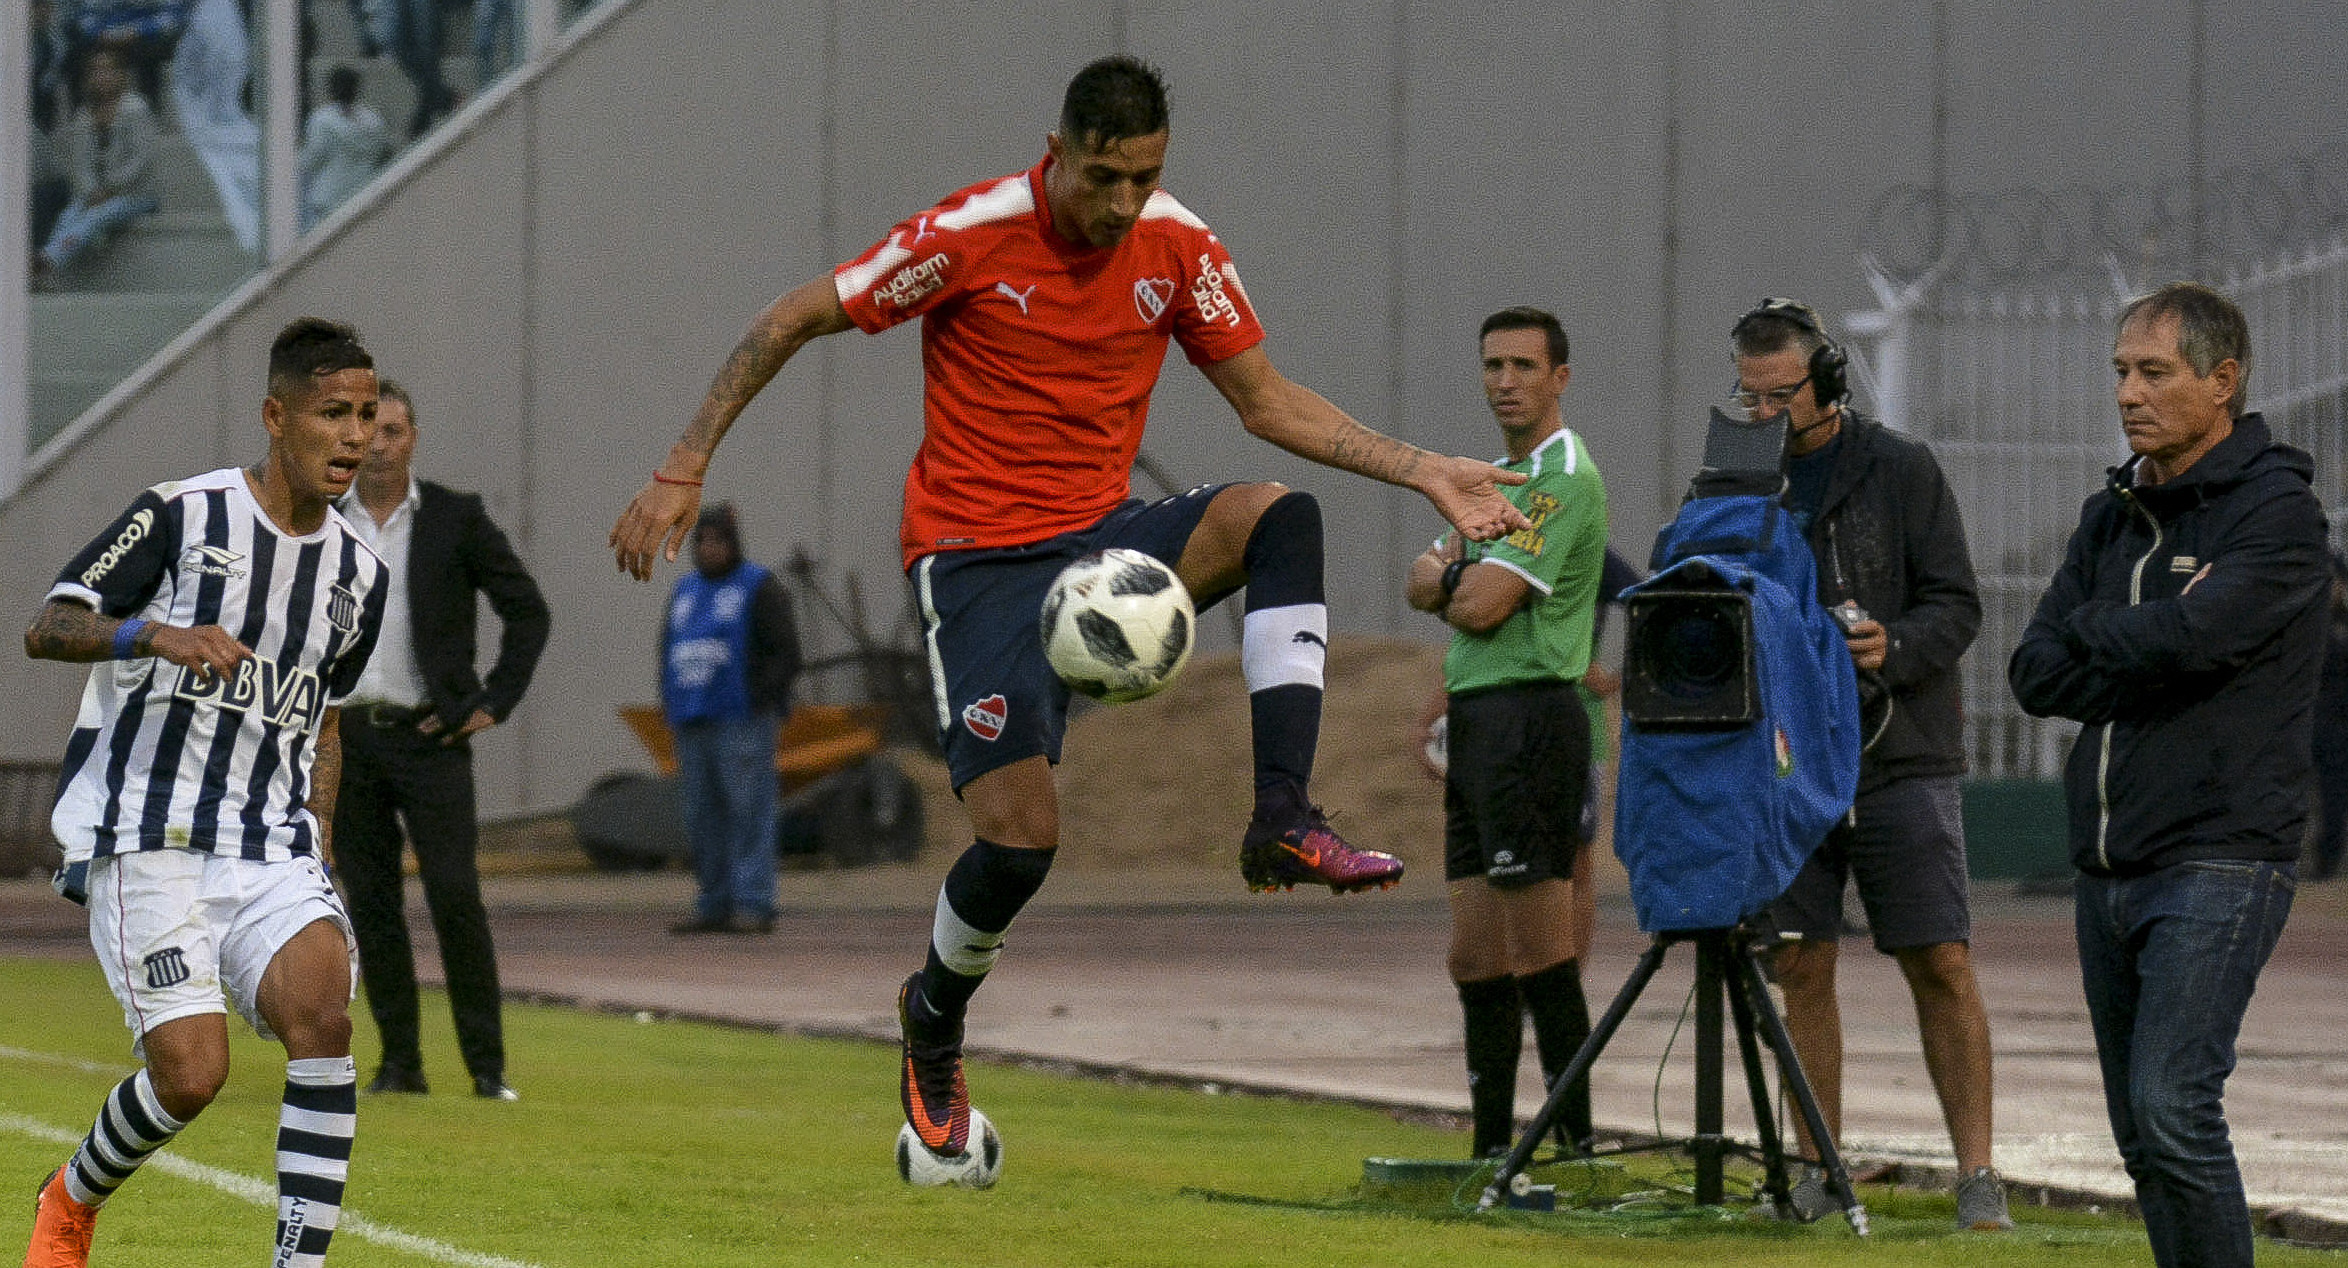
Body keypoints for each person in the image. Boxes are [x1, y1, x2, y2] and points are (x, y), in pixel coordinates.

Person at [607, 55, 1530, 1177]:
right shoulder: (970, 234)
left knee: (1280, 517)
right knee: (1019, 845)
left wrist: (1424, 466)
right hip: (975, 566)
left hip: (1100, 543)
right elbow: (792, 316)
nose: (1123, 202)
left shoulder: (1176, 245)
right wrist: (683, 464)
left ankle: (1281, 815)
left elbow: (1265, 398)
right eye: (1103, 178)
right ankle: (933, 1019)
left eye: (1144, 177)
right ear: (1058, 153)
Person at [19, 317, 387, 1268]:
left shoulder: (360, 573)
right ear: (276, 416)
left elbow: (326, 718)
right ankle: (70, 1196)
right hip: (149, 835)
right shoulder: (182, 516)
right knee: (191, 1077)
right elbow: (48, 626)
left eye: (367, 416)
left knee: (325, 1019)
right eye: (332, 413)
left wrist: (322, 838)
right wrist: (153, 634)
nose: (355, 436)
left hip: (270, 844)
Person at [2010, 281, 2325, 1268]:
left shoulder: (2276, 513)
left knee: (2172, 1105)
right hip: (2107, 864)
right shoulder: (2109, 516)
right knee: (2142, 1137)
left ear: (2221, 381)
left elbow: (2196, 637)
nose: (2127, 394)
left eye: (2153, 372)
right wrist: (2136, 635)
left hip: (2220, 856)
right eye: (2119, 371)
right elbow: (2034, 671)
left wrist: (2101, 630)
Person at [1731, 298, 2008, 1229]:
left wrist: (1895, 645)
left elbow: (1958, 605)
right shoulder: (1735, 481)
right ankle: (1819, 1170)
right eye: (1750, 396)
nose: (1765, 413)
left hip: (1903, 754)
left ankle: (1979, 1177)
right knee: (1799, 964)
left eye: (1781, 396)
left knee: (1940, 957)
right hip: (1786, 762)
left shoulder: (1903, 468)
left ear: (1830, 382)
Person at [1403, 307, 1609, 1159]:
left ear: (1560, 378)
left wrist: (1454, 576)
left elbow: (1480, 604)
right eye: (1493, 365)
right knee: (1474, 956)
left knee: (1540, 949)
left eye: (1523, 366)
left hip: (1532, 718)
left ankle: (1576, 1148)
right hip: (1477, 721)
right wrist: (1457, 575)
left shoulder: (1565, 477)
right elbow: (1417, 581)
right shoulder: (1493, 479)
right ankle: (1491, 1155)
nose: (1505, 382)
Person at [332, 380, 549, 1102]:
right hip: (348, 738)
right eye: (367, 428)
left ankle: (487, 1069)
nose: (378, 444)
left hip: (431, 736)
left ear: (414, 437)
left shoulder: (456, 518)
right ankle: (401, 1064)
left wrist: (492, 702)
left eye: (392, 430)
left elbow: (528, 611)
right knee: (372, 905)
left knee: (455, 896)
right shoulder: (323, 519)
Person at [660, 504, 800, 936]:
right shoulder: (684, 592)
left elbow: (786, 652)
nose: (709, 548)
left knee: (749, 812)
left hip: (743, 720)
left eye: (717, 540)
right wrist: (670, 702)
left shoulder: (758, 587)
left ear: (733, 544)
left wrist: (762, 699)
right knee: (701, 817)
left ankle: (753, 902)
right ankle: (714, 902)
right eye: (702, 540)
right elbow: (666, 650)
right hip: (692, 719)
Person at [33, 48, 159, 287]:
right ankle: (48, 271)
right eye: (96, 71)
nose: (102, 76)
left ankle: (45, 262)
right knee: (69, 214)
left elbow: (141, 160)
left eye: (109, 70)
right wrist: (92, 191)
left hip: (136, 194)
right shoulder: (84, 115)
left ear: (122, 74)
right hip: (95, 195)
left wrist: (110, 189)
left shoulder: (136, 108)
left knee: (98, 214)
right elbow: (80, 165)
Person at [300, 63, 394, 231]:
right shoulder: (374, 120)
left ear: (330, 89)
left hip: (329, 197)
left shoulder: (322, 120)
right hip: (363, 195)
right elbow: (383, 155)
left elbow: (313, 158)